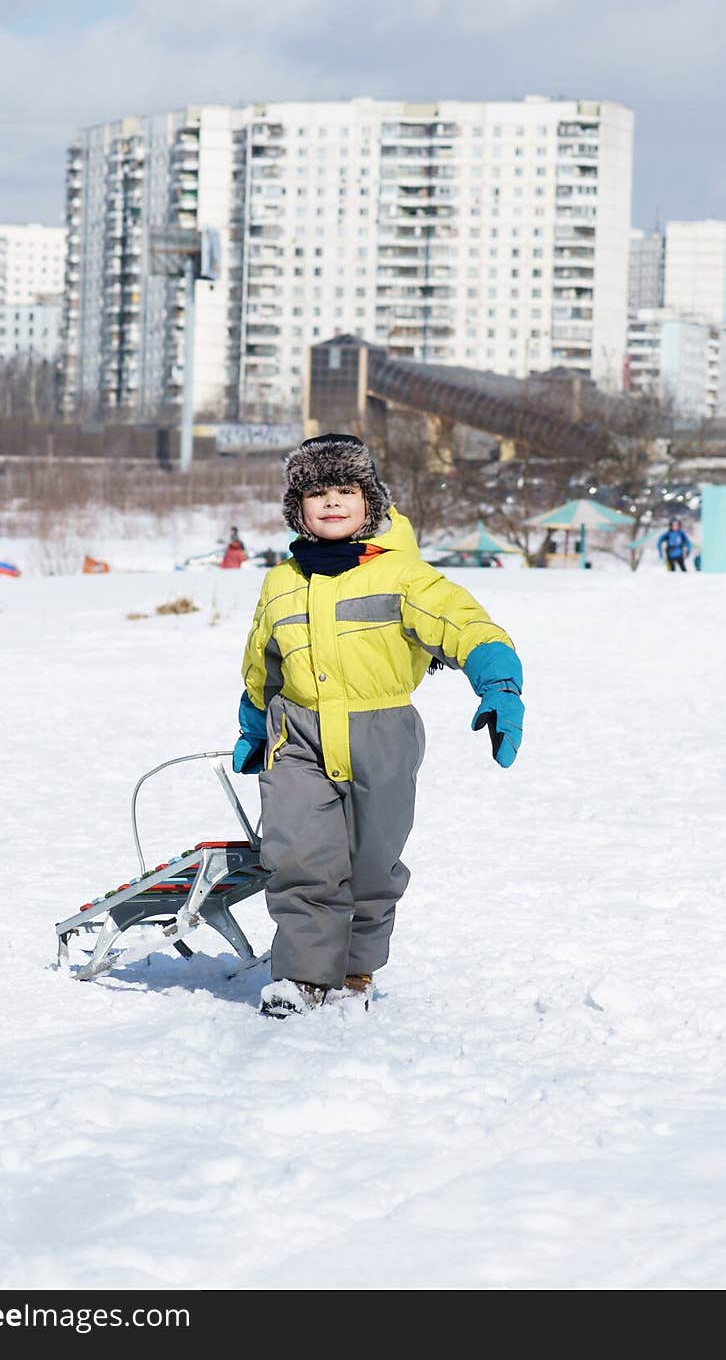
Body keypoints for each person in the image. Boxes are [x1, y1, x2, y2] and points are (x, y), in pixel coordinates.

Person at [232, 432, 525, 1018]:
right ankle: (301, 977)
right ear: (298, 507)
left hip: (382, 733)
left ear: (371, 501)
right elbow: (262, 661)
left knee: (373, 863)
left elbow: (466, 626)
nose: (332, 502)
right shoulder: (281, 581)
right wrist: (254, 726)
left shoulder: (403, 575)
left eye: (346, 489)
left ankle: (355, 966)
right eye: (316, 492)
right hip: (298, 738)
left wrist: (499, 684)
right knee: (299, 858)